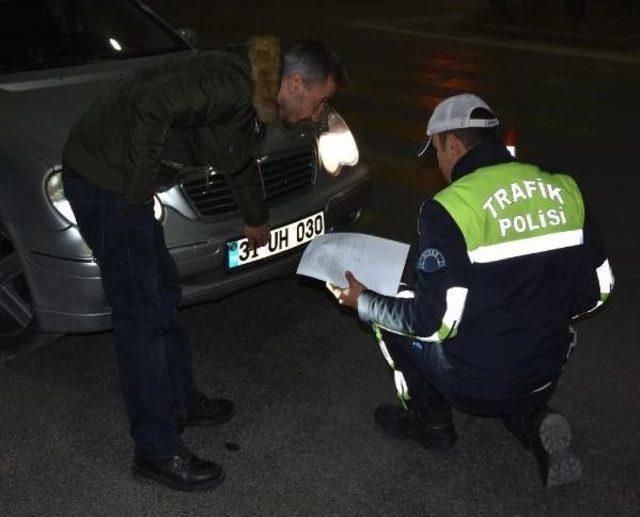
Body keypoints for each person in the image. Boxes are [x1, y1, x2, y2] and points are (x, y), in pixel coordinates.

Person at [62, 36, 346, 491]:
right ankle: (155, 450)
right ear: (294, 83)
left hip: (122, 186)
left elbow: (235, 155)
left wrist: (256, 219)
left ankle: (181, 401)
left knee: (165, 295)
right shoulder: (232, 84)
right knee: (142, 315)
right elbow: (149, 101)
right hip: (104, 184)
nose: (317, 114)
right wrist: (135, 196)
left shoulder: (255, 95)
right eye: (319, 101)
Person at [327, 93, 614, 487]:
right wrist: (537, 311)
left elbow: (431, 323)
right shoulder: (565, 189)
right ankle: (532, 418)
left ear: (453, 144)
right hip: (548, 365)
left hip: (476, 380)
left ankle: (432, 425)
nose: (439, 164)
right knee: (510, 334)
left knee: (393, 311)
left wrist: (364, 301)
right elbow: (600, 288)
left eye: (438, 153)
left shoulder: (450, 207)